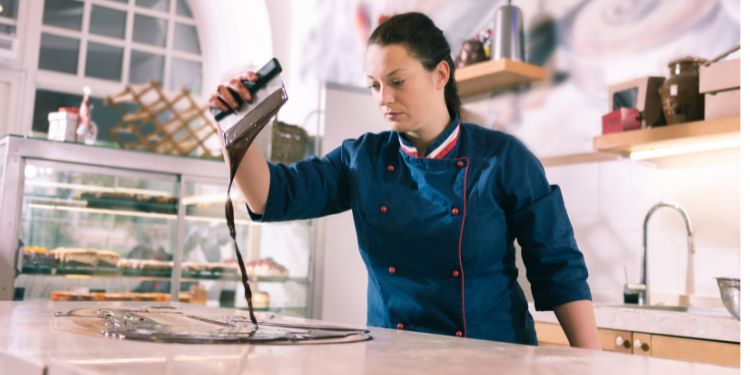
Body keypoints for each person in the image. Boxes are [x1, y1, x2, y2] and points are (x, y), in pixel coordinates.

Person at [210, 12, 600, 348]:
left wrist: (590, 364)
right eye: (374, 85)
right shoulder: (361, 159)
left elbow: (558, 268)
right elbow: (272, 197)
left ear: (440, 75)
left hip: (493, 358)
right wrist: (235, 129)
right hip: (391, 358)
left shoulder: (504, 159)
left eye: (397, 81)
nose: (382, 98)